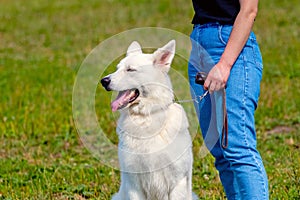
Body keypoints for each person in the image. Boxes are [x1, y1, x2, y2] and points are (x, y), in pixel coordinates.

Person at [188, 0, 269, 199]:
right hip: (199, 43)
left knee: (237, 146)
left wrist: (225, 64)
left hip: (230, 44)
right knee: (220, 151)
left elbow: (249, 10)